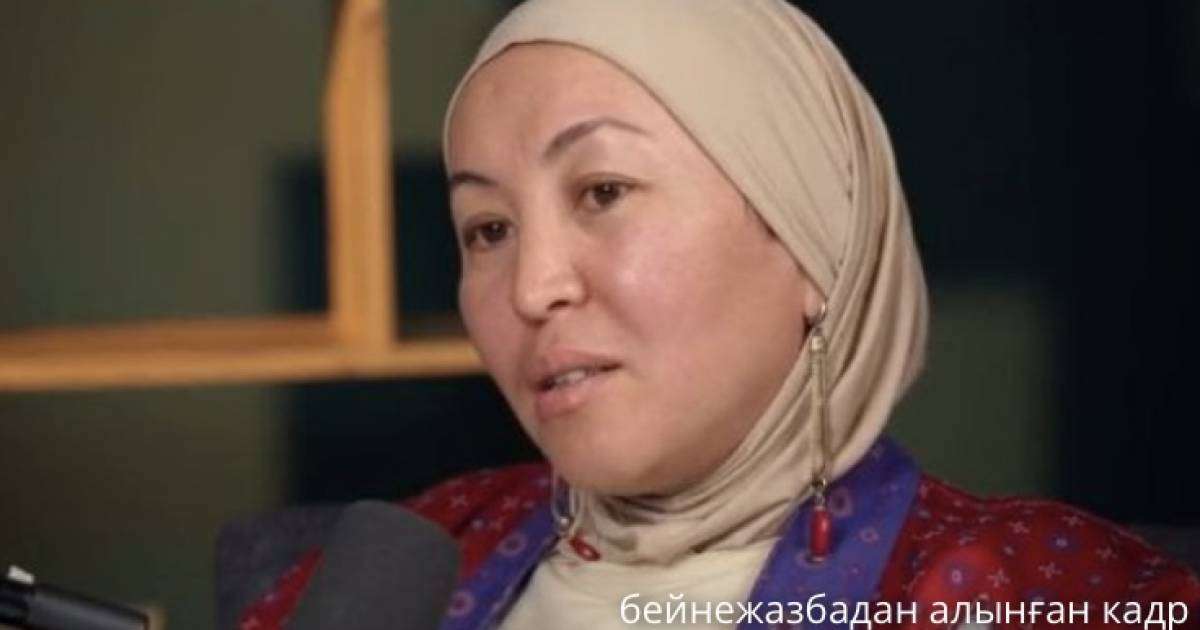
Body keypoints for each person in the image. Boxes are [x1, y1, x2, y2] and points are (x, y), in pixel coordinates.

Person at [240, 1, 1200, 628]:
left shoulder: (1039, 592)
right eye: (487, 229)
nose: (531, 289)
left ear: (811, 239)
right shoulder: (403, 563)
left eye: (604, 191)